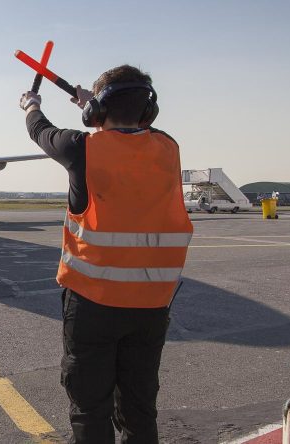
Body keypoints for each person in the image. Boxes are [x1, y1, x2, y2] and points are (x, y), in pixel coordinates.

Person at [19, 65, 194, 443]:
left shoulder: (81, 148)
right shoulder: (168, 148)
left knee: (90, 409)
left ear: (96, 113)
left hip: (93, 305)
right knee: (139, 409)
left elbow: (40, 130)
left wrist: (31, 105)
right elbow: (132, 137)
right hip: (151, 307)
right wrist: (93, 105)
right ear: (148, 112)